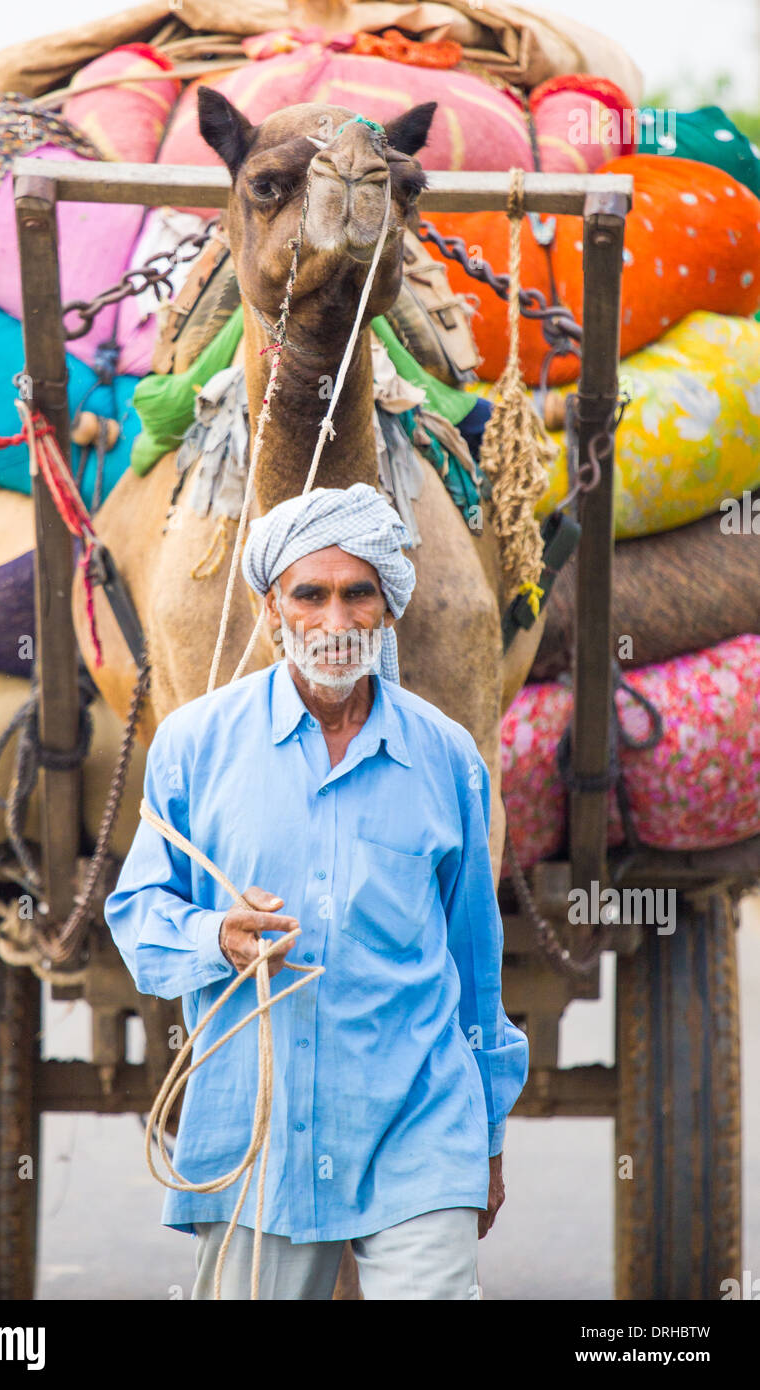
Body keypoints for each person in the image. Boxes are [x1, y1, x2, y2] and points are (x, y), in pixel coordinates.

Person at [105, 481, 528, 1300]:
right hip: (255, 1134)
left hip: (421, 1125)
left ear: (388, 609)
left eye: (357, 594)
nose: (336, 623)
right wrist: (213, 939)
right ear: (271, 609)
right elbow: (139, 910)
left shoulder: (447, 760)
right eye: (311, 595)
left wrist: (486, 1136)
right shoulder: (196, 745)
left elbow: (477, 969)